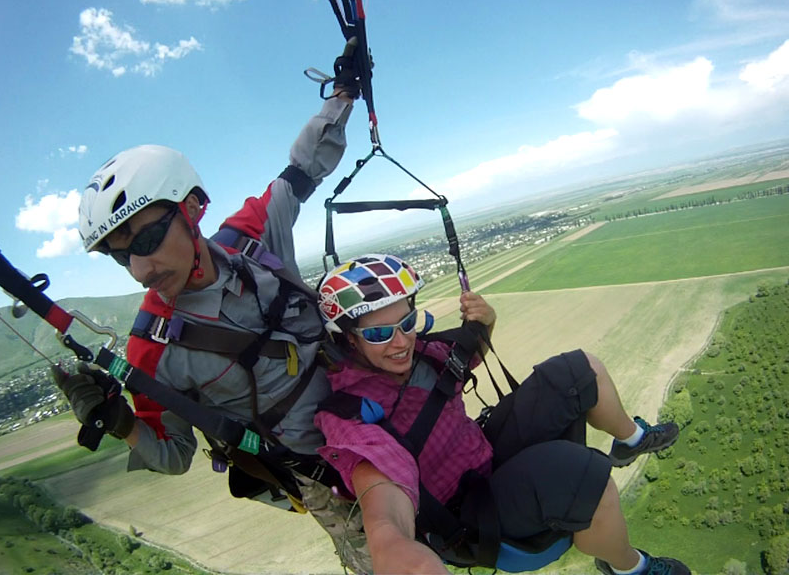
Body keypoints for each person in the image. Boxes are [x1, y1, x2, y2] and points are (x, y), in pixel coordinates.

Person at [52, 46, 358, 501]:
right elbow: (173, 453)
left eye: (145, 241)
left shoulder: (247, 239)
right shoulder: (150, 351)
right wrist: (121, 423)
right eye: (122, 257)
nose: (139, 271)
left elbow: (300, 171)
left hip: (367, 397)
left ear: (191, 208)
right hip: (324, 477)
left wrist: (343, 95)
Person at [313, 254, 690, 575]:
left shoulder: (424, 355)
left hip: (485, 454)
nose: (400, 342)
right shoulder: (353, 416)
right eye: (379, 334)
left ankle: (631, 441)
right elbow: (383, 507)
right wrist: (392, 547)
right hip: (468, 512)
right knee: (585, 477)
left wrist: (486, 319)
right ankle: (631, 567)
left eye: (407, 323)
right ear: (349, 338)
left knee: (578, 370)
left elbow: (469, 349)